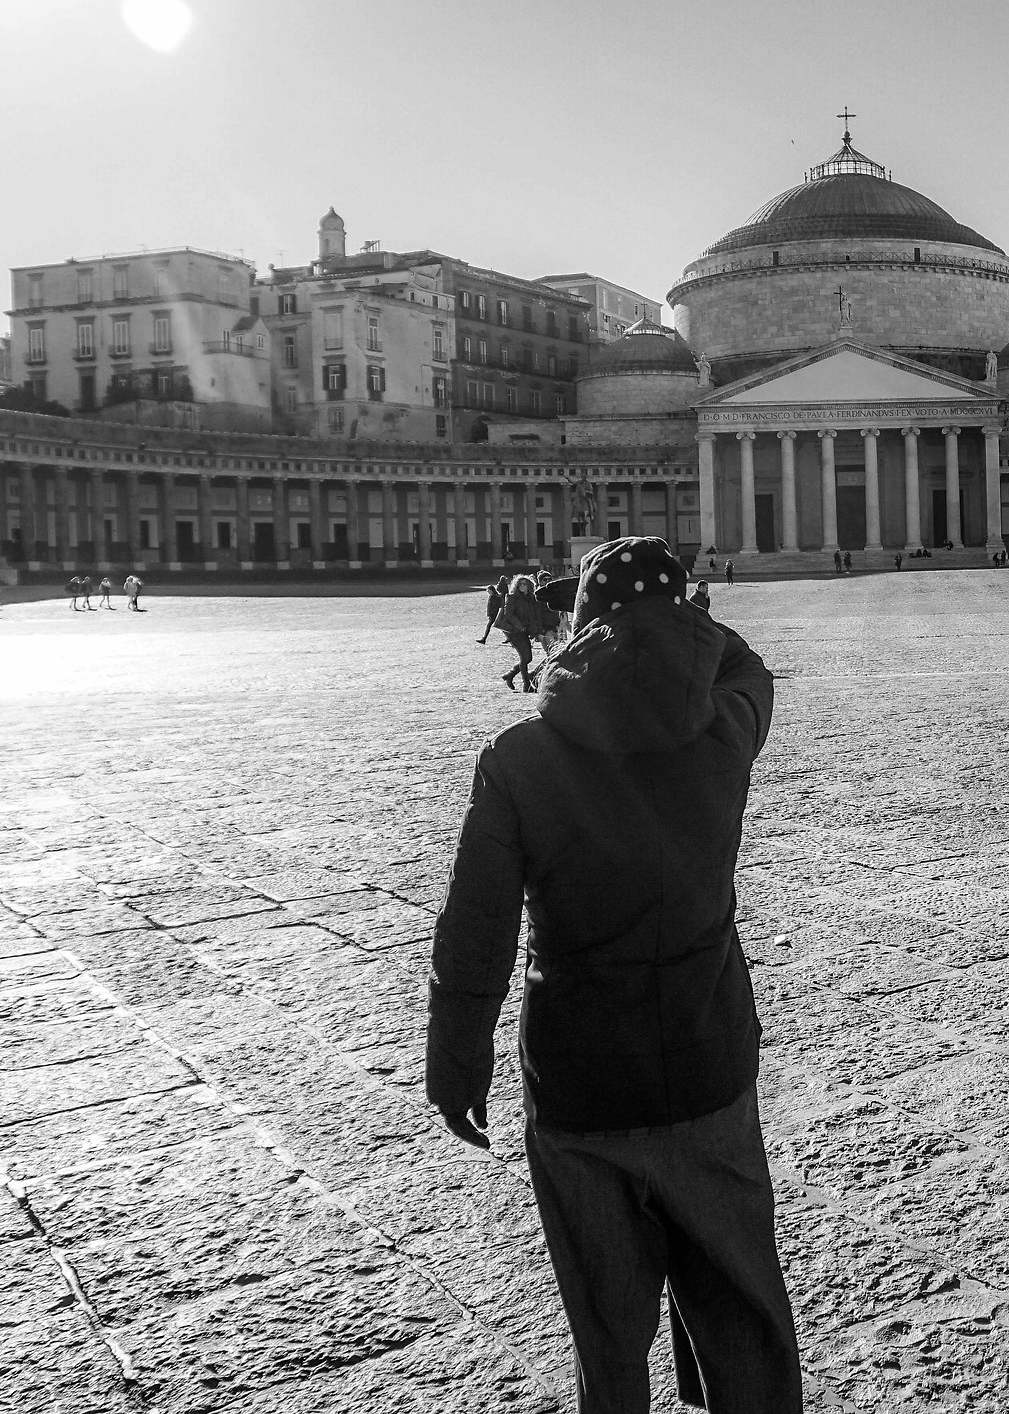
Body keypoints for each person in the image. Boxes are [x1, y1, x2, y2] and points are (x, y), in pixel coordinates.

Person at [426, 536, 799, 1410]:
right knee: (742, 1312)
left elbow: (476, 927)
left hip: (578, 1081)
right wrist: (680, 624)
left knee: (607, 1337)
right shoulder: (725, 733)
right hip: (704, 1061)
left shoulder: (519, 758)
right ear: (687, 622)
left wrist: (458, 1055)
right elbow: (747, 667)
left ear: (585, 626)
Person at [496, 573, 546, 692]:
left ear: (529, 586)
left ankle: (510, 675)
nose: (522, 586)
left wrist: (537, 631)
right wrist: (519, 626)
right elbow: (509, 615)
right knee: (525, 657)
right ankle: (526, 684)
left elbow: (535, 616)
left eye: (525, 584)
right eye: (520, 584)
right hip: (514, 631)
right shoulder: (512, 597)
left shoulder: (531, 599)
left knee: (528, 658)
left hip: (525, 631)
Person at [480, 574, 510, 644]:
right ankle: (508, 638)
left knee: (490, 625)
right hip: (495, 613)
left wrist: (490, 613)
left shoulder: (494, 597)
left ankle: (484, 639)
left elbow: (493, 606)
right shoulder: (497, 595)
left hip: (494, 614)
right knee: (499, 625)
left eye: (488, 590)